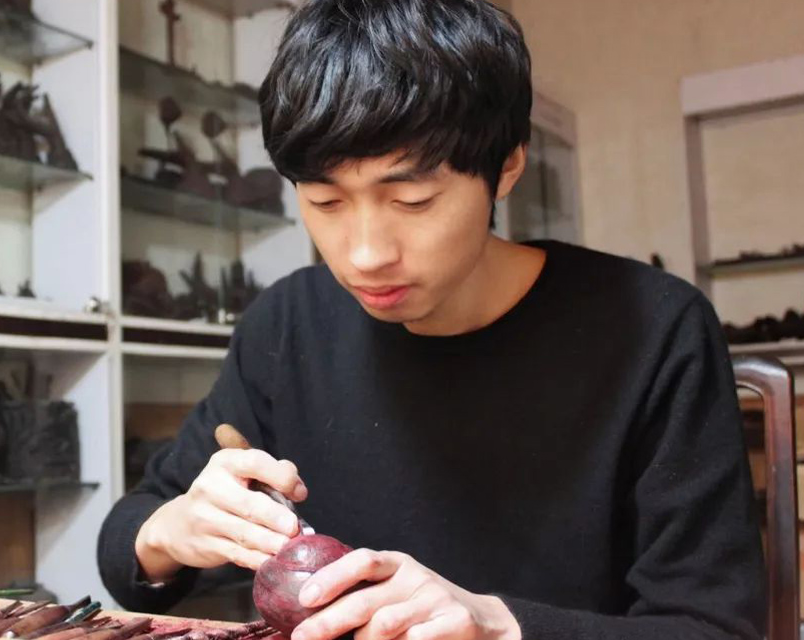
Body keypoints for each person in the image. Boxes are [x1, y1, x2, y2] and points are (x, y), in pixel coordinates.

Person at [98, 1, 764, 638]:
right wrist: (172, 531)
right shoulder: (288, 325)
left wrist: (499, 625)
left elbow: (712, 625)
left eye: (412, 201)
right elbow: (127, 548)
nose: (365, 255)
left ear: (507, 166)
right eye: (326, 202)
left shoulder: (654, 330)